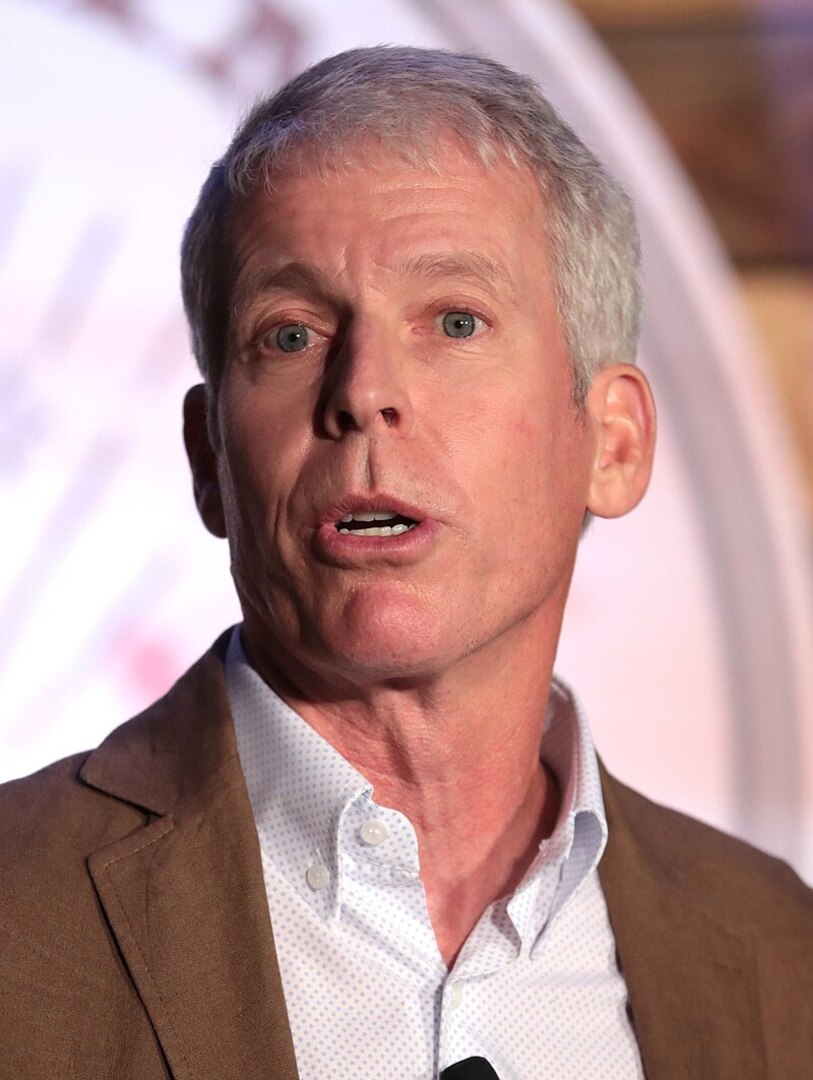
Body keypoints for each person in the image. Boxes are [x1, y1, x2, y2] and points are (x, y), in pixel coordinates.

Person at [1, 45, 811, 1080]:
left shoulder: (776, 954)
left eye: (455, 322)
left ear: (610, 444)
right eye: (290, 336)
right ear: (209, 460)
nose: (363, 391)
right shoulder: (18, 909)